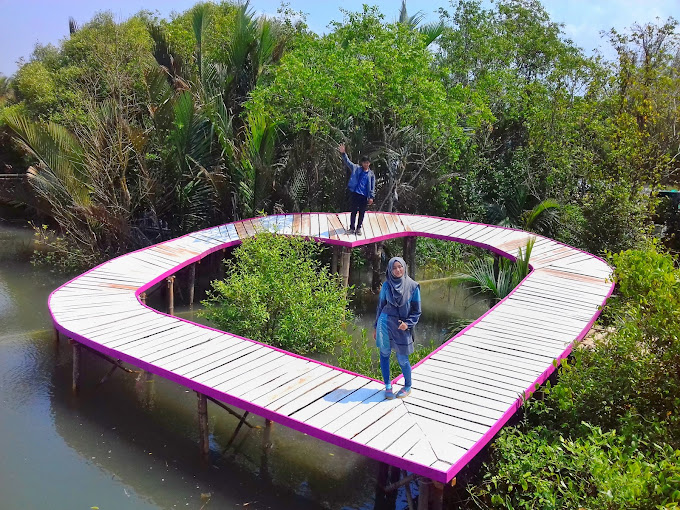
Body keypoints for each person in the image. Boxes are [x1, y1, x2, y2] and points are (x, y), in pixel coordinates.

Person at [373, 257, 421, 399]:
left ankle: (407, 386)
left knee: (402, 358)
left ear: (404, 267)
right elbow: (380, 306)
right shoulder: (386, 286)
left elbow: (416, 311)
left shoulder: (413, 286)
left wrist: (408, 323)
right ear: (389, 270)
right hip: (385, 324)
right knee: (385, 354)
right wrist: (375, 326)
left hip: (402, 327)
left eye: (400, 266)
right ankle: (387, 385)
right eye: (394, 268)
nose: (398, 270)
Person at [338, 143, 375, 235]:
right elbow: (348, 162)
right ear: (362, 163)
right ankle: (351, 228)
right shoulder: (356, 168)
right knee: (353, 211)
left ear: (369, 163)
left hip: (364, 196)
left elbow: (372, 186)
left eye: (367, 163)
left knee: (362, 212)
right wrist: (343, 153)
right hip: (355, 193)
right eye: (364, 162)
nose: (366, 164)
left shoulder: (371, 174)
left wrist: (371, 197)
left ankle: (358, 228)